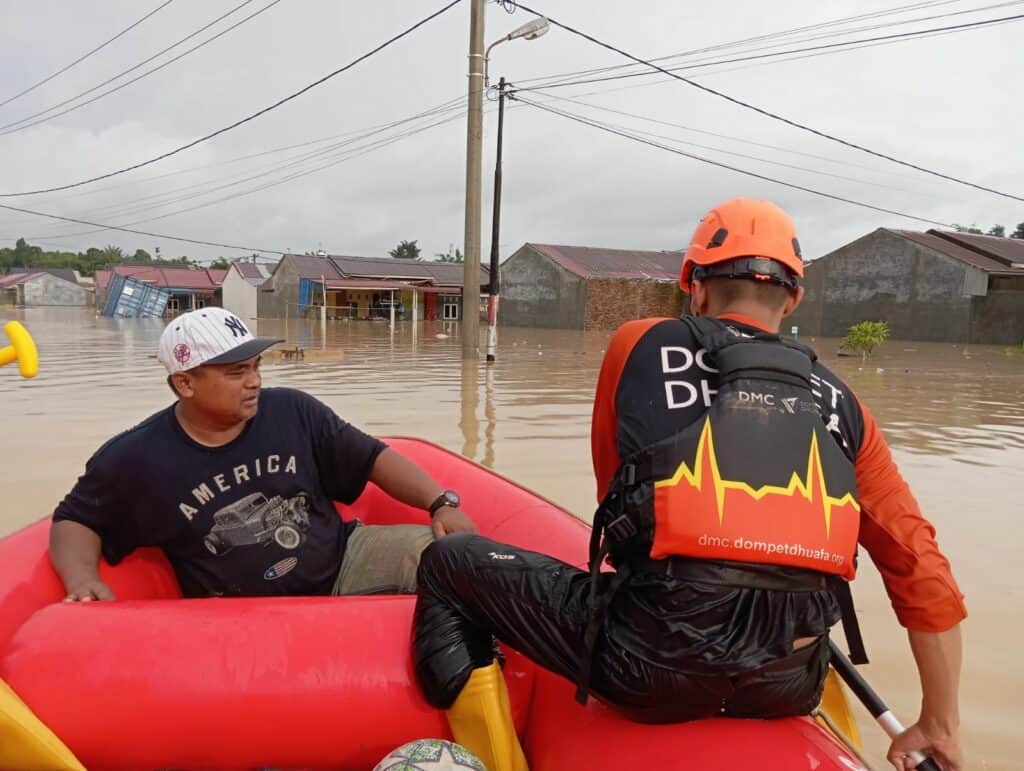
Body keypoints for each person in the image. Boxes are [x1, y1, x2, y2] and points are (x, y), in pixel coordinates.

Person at [412, 198, 966, 771]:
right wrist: (939, 724)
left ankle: (492, 758)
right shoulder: (846, 406)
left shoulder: (637, 341)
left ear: (694, 288)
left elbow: (618, 498)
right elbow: (922, 569)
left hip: (645, 672)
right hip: (786, 683)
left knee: (449, 563)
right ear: (794, 297)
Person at [50, 307, 476, 605]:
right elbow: (76, 518)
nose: (254, 381)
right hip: (242, 618)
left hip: (345, 561)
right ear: (185, 383)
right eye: (237, 372)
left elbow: (370, 457)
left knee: (465, 560)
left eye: (256, 366)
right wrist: (83, 580)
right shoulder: (136, 457)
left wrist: (439, 502)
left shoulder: (292, 410)